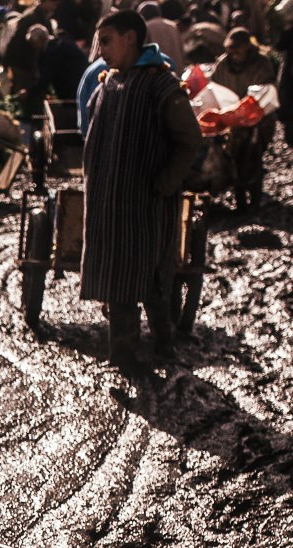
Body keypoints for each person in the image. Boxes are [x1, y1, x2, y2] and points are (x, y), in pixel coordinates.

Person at [80, 9, 202, 370]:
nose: (100, 50)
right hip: (107, 205)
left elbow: (190, 140)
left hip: (144, 206)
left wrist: (165, 184)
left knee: (143, 279)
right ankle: (153, 349)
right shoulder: (107, 83)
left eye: (106, 41)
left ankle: (128, 357)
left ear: (130, 38)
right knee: (127, 278)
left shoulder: (161, 86)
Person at [211, 27, 277, 206]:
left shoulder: (261, 64)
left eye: (238, 52)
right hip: (232, 120)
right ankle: (239, 195)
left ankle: (255, 197)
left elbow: (268, 90)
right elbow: (214, 87)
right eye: (231, 52)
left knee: (253, 156)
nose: (234, 56)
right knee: (232, 157)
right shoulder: (223, 65)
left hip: (258, 121)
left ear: (247, 49)